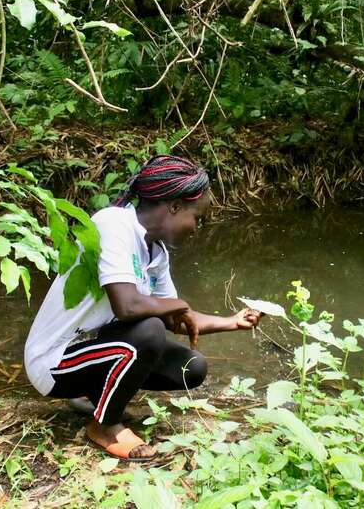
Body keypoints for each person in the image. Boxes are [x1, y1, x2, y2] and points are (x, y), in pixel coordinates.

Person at [24, 155, 261, 461]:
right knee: (148, 332)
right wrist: (178, 305)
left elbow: (175, 318)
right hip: (54, 362)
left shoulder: (156, 252)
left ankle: (97, 398)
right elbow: (128, 306)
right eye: (196, 217)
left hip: (94, 352)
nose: (197, 227)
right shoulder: (114, 223)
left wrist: (233, 321)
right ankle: (105, 426)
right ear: (174, 207)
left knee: (192, 367)